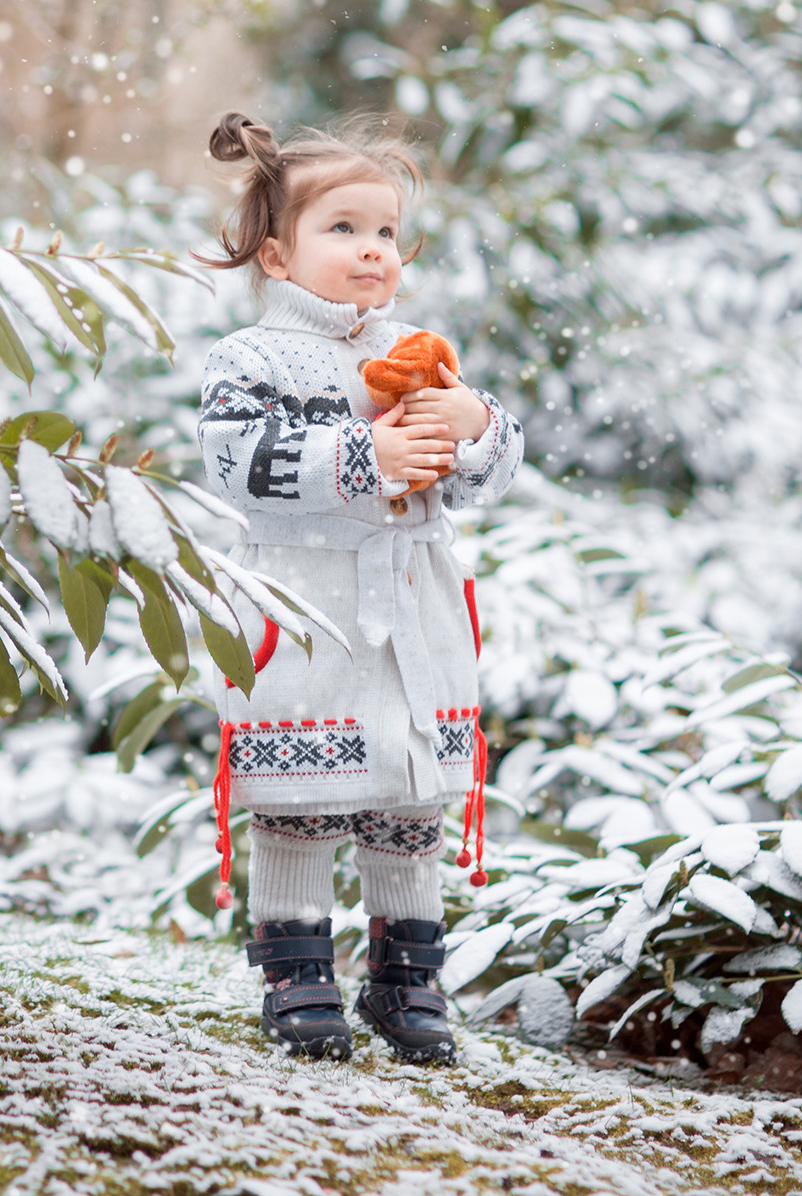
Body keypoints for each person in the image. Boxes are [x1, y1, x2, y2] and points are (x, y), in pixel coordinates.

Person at [196, 111, 524, 1064]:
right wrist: (358, 453)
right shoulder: (251, 360)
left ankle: (406, 980)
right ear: (276, 255)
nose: (372, 250)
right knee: (302, 795)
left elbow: (485, 478)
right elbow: (236, 463)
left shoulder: (421, 350)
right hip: (310, 606)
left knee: (408, 795)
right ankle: (297, 973)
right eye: (342, 228)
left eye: (385, 232)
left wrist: (471, 423)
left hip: (413, 601)